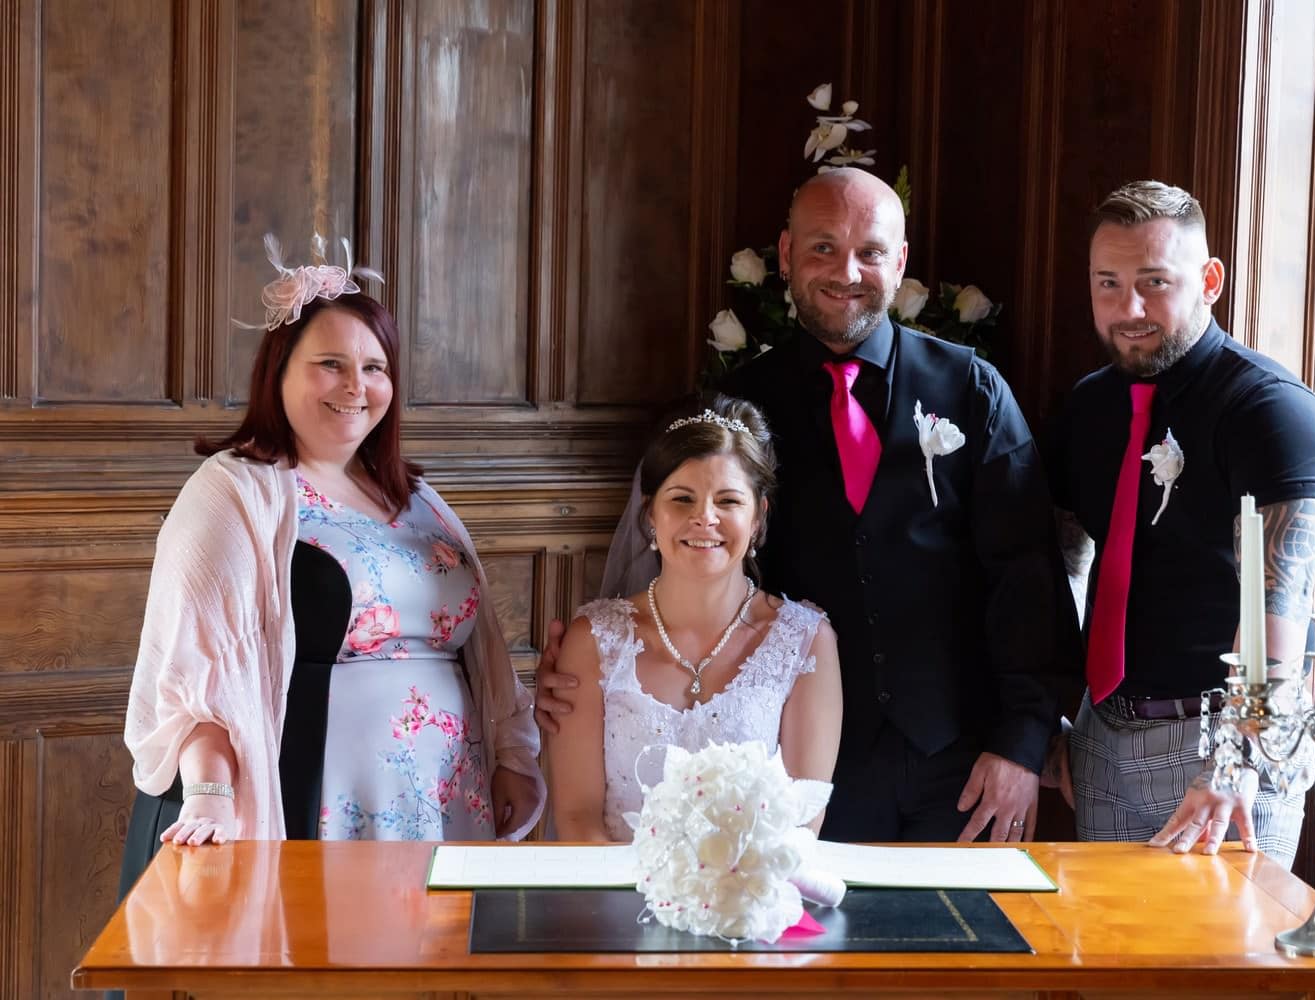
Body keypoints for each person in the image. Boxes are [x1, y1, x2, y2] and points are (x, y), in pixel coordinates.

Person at [541, 168, 1079, 843]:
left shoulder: (972, 390)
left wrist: (1022, 744)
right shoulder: (737, 408)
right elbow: (700, 565)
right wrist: (587, 675)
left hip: (965, 766)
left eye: (870, 252)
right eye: (823, 247)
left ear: (901, 261)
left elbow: (1027, 578)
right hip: (801, 770)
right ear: (788, 255)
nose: (846, 271)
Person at [119, 236, 544, 891]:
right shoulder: (238, 490)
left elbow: (480, 649)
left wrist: (511, 755)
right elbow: (197, 667)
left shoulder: (417, 495)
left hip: (444, 797)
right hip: (318, 794)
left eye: (375, 367)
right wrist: (209, 789)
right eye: (331, 364)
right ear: (279, 370)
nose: (357, 386)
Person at [1050, 180, 1315, 867]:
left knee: (1222, 970)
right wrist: (1056, 721)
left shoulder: (1272, 412)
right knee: (1111, 968)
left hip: (1226, 747)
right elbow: (1063, 567)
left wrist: (1234, 761)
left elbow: (1280, 606)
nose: (1130, 309)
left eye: (1154, 282)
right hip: (1102, 736)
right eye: (1108, 284)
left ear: (1210, 281)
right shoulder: (1086, 409)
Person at [548, 396, 842, 841]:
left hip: (750, 901)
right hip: (612, 899)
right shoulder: (594, 640)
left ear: (759, 518)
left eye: (728, 500)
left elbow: (800, 825)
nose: (704, 518)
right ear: (650, 514)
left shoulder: (806, 642)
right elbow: (578, 820)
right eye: (682, 498)